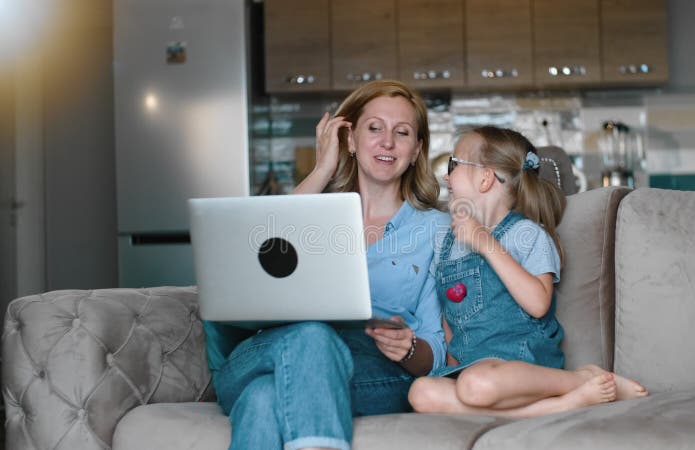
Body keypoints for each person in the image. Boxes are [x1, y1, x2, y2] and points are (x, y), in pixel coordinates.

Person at [203, 80, 450, 449]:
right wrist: (321, 170)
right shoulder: (311, 211)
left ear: (416, 151)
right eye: (374, 128)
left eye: (402, 133)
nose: (387, 142)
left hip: (372, 369)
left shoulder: (436, 229)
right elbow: (267, 250)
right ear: (349, 140)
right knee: (310, 335)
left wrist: (409, 347)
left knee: (263, 398)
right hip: (270, 349)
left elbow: (435, 348)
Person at [408, 126, 648, 418]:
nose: (446, 176)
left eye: (453, 165)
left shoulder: (526, 234)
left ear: (484, 178)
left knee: (476, 386)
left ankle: (580, 379)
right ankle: (563, 404)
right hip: (471, 366)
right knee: (421, 392)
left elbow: (538, 303)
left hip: (522, 360)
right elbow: (450, 311)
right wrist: (450, 353)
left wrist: (485, 242)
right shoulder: (447, 242)